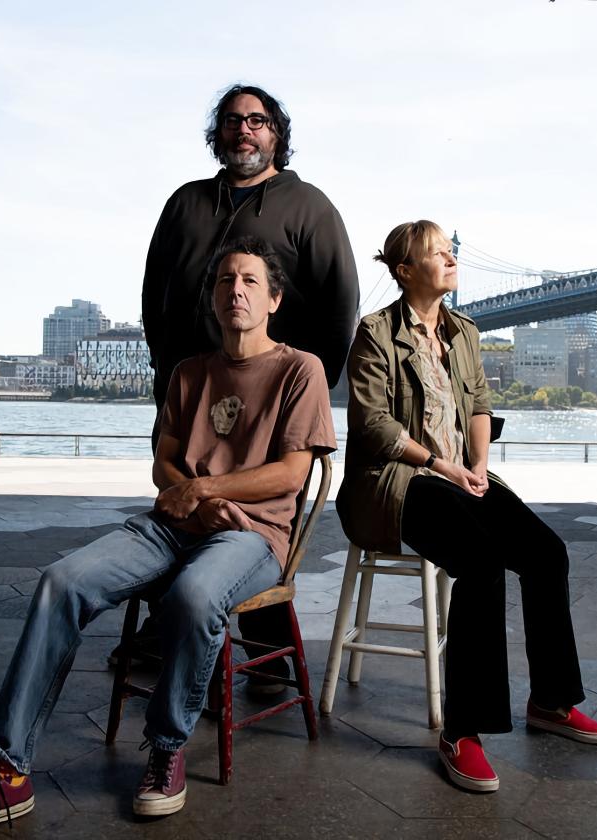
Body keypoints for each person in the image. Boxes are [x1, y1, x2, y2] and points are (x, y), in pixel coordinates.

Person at [0, 237, 335, 837]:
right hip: (172, 525)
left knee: (194, 596)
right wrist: (189, 496)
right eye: (223, 280)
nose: (233, 290)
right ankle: (7, 772)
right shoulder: (190, 373)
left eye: (247, 280)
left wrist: (209, 493)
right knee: (61, 581)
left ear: (273, 298)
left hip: (251, 535)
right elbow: (165, 465)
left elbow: (292, 473)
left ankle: (167, 749)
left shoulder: (301, 369)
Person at [336, 220, 597, 795]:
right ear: (405, 271)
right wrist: (442, 466)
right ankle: (461, 732)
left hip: (461, 476)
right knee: (482, 564)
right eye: (436, 252)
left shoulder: (465, 331)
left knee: (545, 552)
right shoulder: (375, 332)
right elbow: (372, 424)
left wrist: (479, 467)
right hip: (396, 481)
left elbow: (481, 404)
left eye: (449, 249)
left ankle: (551, 702)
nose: (450, 257)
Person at [138, 83, 359, 692]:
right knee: (184, 502)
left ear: (277, 134)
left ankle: (266, 654)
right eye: (233, 121)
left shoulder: (309, 206)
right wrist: (167, 370)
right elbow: (155, 289)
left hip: (272, 398)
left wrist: (304, 390)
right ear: (219, 133)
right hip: (189, 388)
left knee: (252, 517)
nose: (245, 131)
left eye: (258, 121)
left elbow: (341, 304)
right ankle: (170, 630)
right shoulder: (185, 202)